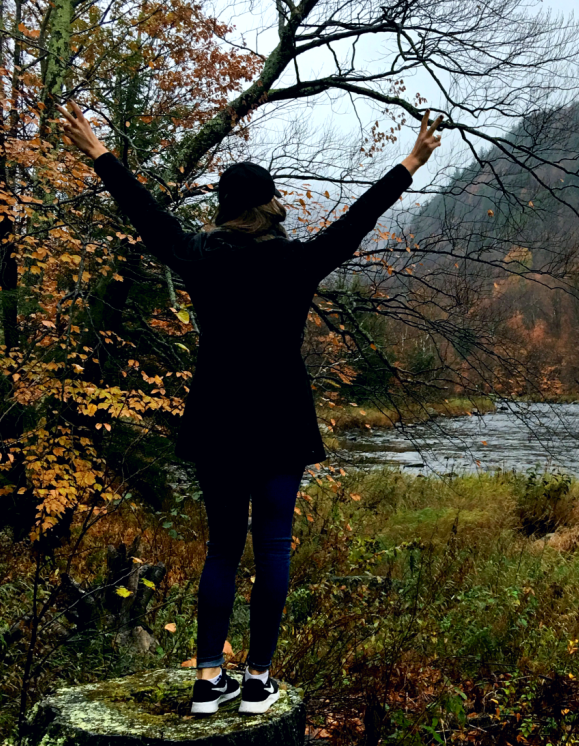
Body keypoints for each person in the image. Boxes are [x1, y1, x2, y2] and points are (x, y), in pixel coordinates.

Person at [58, 100, 442, 715]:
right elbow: (357, 222)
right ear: (268, 206)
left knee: (220, 550)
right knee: (272, 550)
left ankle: (209, 679)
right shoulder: (297, 261)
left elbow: (149, 218)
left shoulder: (201, 259)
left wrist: (98, 153)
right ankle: (258, 679)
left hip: (217, 422)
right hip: (281, 424)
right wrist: (409, 163)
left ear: (224, 211)